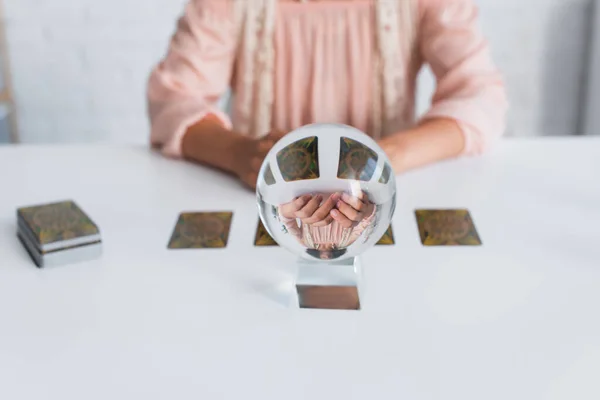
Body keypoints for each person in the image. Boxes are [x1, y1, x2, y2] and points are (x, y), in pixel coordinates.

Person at [147, 0, 507, 190]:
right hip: (258, 201)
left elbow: (481, 97)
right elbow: (174, 100)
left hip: (385, 198)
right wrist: (243, 154)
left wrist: (389, 155)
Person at [277, 191, 377, 260]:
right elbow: (364, 223)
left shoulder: (305, 242)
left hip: (310, 191)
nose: (326, 259)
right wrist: (367, 211)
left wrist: (286, 211)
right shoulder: (345, 243)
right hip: (343, 192)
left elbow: (288, 223)